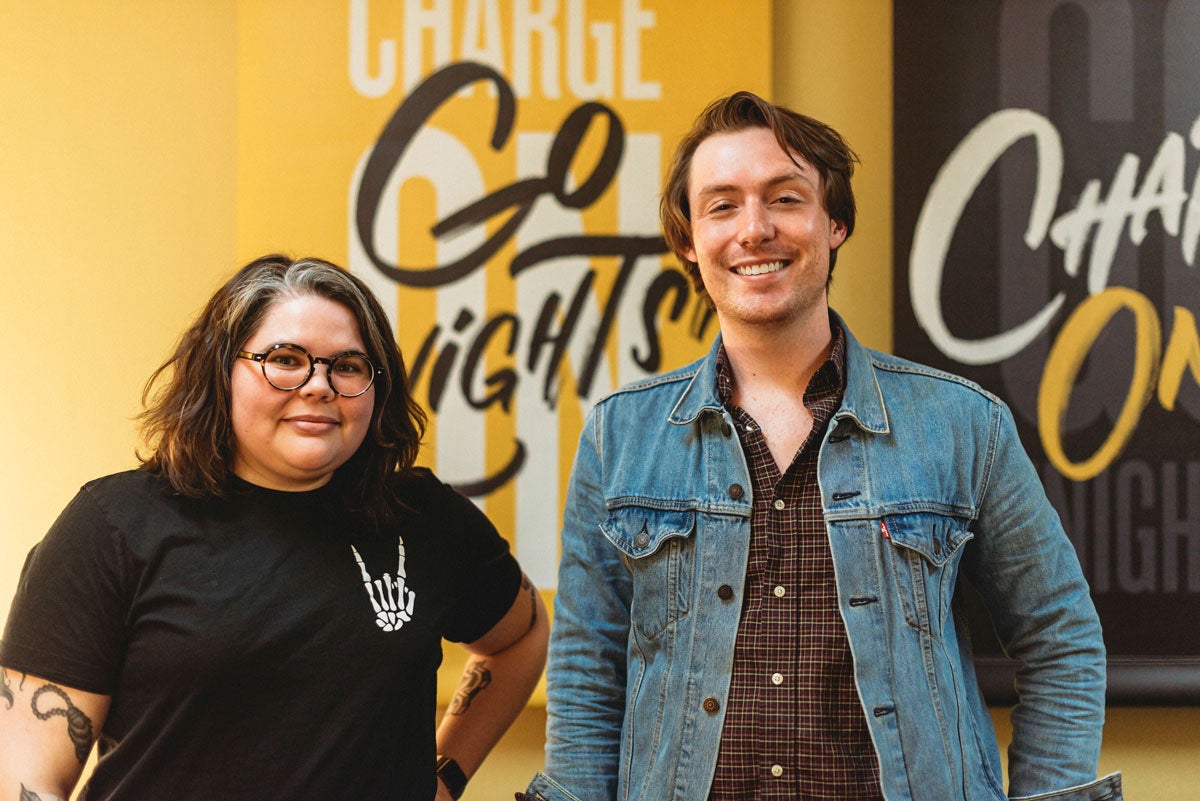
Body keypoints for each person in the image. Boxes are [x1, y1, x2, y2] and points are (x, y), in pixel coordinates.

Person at [520, 93, 1122, 801]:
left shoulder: (965, 425)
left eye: (784, 198)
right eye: (722, 205)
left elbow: (1061, 642)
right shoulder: (619, 437)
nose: (755, 228)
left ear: (833, 222)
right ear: (688, 239)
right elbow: (587, 670)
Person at [0, 254, 548, 800]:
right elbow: (29, 780)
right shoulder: (113, 525)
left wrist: (446, 776)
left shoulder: (427, 520)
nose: (319, 386)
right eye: (285, 359)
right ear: (221, 371)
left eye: (349, 366)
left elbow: (520, 638)